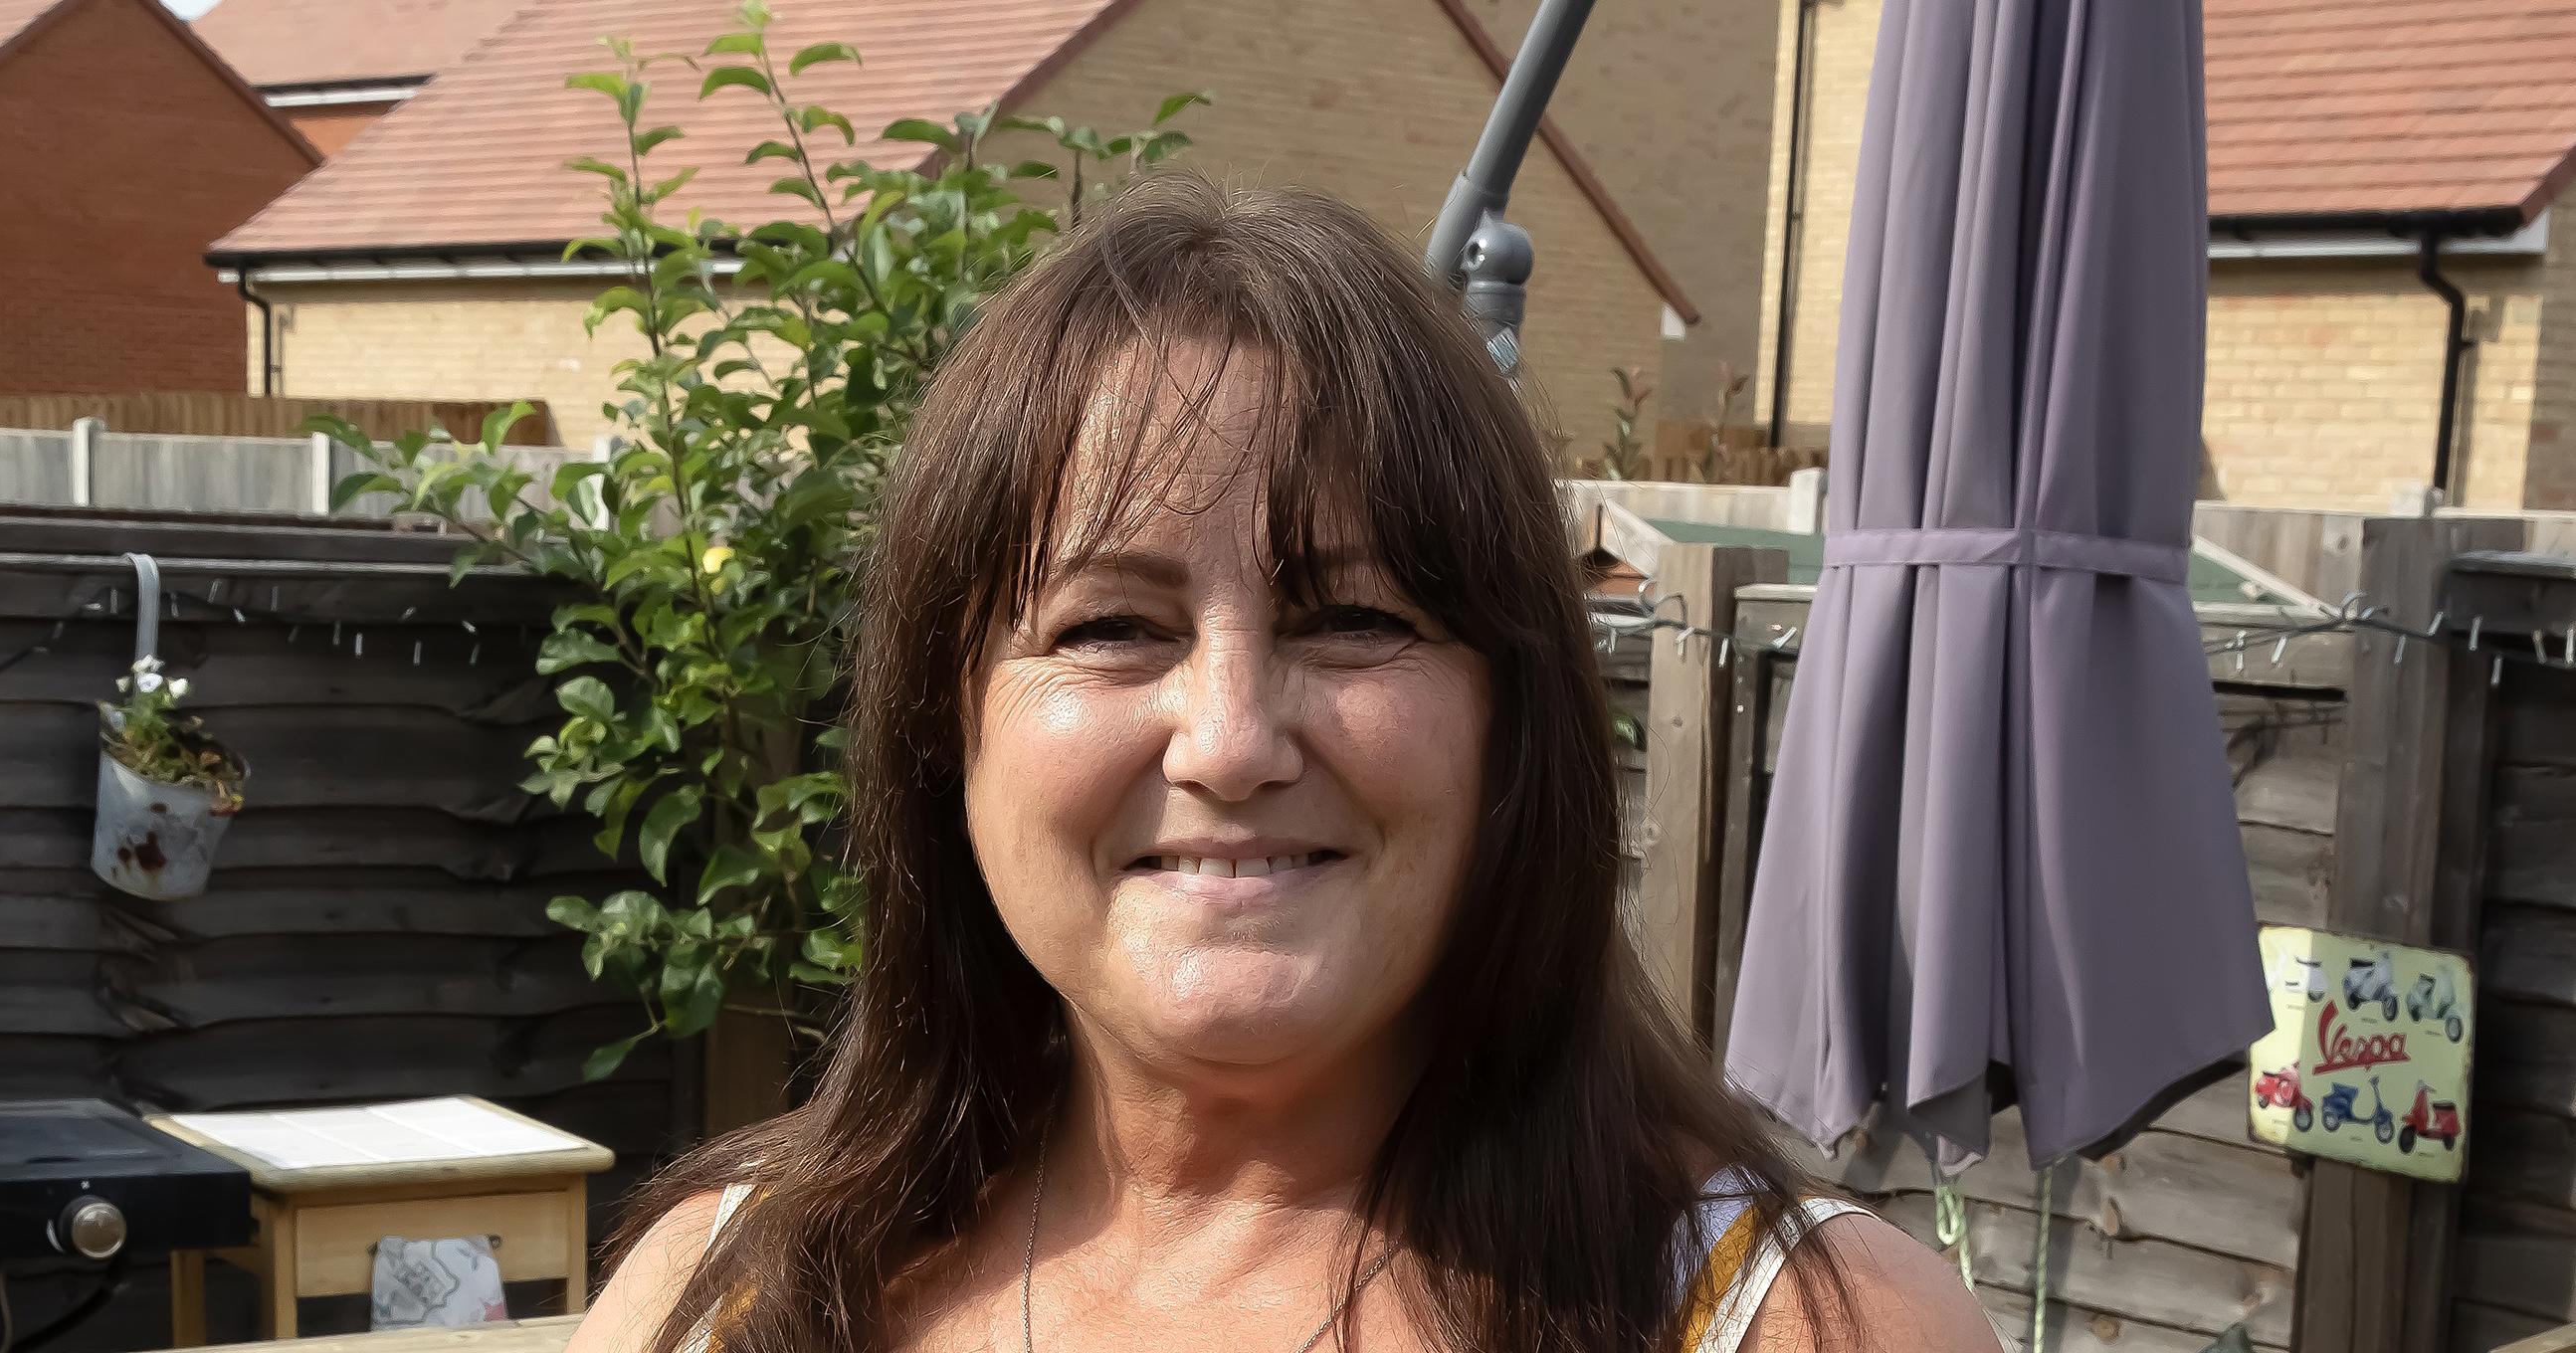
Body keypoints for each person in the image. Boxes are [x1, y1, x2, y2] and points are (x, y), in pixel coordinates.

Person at [567, 173, 1998, 1353]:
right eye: (1111, 626)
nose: (1234, 739)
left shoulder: (1810, 1330)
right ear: (948, 732)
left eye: (1356, 619)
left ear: (1513, 723)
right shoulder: (723, 1301)